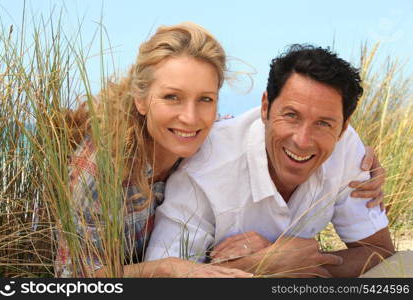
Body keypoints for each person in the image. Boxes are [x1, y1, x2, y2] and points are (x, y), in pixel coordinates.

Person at [145, 44, 394, 278]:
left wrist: (304, 261)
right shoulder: (203, 171)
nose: (303, 140)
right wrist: (263, 265)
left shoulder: (347, 148)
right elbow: (163, 281)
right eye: (291, 115)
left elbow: (378, 251)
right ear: (265, 107)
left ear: (342, 128)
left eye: (323, 123)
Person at [55, 22, 253, 278]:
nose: (191, 118)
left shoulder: (216, 143)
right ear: (141, 100)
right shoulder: (101, 168)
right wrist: (163, 269)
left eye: (205, 99)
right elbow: (76, 278)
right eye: (172, 97)